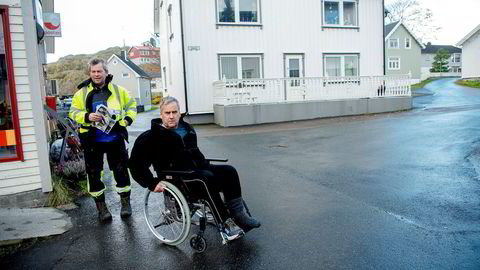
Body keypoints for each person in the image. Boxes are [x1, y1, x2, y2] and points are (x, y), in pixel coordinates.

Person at [128, 96, 260, 240]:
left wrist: (205, 164)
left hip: (198, 169)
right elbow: (135, 164)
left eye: (174, 112)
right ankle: (226, 224)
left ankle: (240, 216)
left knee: (229, 171)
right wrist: (151, 183)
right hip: (177, 178)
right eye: (167, 113)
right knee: (205, 178)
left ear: (180, 113)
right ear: (161, 114)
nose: (171, 116)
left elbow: (196, 153)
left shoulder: (187, 129)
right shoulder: (150, 137)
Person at [69, 58, 137, 222]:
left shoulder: (119, 91)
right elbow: (73, 112)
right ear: (89, 73)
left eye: (100, 71)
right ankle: (102, 209)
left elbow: (132, 106)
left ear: (106, 72)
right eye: (93, 71)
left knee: (121, 172)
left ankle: (125, 204)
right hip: (92, 141)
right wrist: (87, 116)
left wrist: (126, 121)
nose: (96, 74)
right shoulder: (81, 93)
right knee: (94, 175)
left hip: (115, 139)